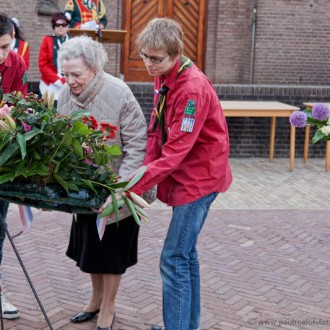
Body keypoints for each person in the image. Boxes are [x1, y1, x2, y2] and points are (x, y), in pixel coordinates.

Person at [99, 18, 233, 330]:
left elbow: (175, 153)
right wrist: (141, 176)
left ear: (174, 54)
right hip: (186, 173)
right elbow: (155, 133)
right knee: (186, 256)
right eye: (143, 56)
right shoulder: (164, 76)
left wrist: (131, 188)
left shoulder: (191, 90)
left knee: (173, 258)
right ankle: (186, 325)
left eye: (155, 58)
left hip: (199, 180)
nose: (147, 64)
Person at [57, 35, 151, 330]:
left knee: (112, 253)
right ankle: (95, 300)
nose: (70, 81)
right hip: (85, 190)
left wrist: (122, 189)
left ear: (94, 69)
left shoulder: (119, 92)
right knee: (91, 249)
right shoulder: (63, 94)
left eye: (76, 75)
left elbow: (138, 144)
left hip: (117, 188)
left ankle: (109, 306)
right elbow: (60, 137)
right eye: (66, 74)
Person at [0, 12, 28, 320]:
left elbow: (19, 108)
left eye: (6, 46)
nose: (1, 55)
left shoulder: (17, 64)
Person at [38, 12, 70, 103]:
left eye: (63, 24)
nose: (60, 27)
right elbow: (42, 65)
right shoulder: (47, 40)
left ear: (68, 26)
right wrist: (57, 80)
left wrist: (67, 79)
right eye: (57, 25)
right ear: (54, 27)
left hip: (69, 83)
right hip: (50, 84)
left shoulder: (74, 41)